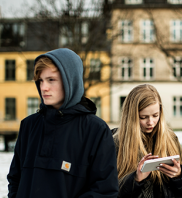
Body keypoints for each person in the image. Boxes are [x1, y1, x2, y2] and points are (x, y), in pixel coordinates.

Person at [7, 48, 118, 198]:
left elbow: (104, 191)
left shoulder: (96, 130)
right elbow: (15, 180)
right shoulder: (29, 125)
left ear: (70, 81)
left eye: (51, 80)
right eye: (41, 80)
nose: (44, 87)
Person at [113, 84, 182, 197]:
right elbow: (108, 191)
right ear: (131, 116)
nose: (150, 122)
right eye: (143, 117)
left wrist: (179, 176)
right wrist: (136, 179)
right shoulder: (116, 143)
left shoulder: (171, 139)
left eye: (155, 115)